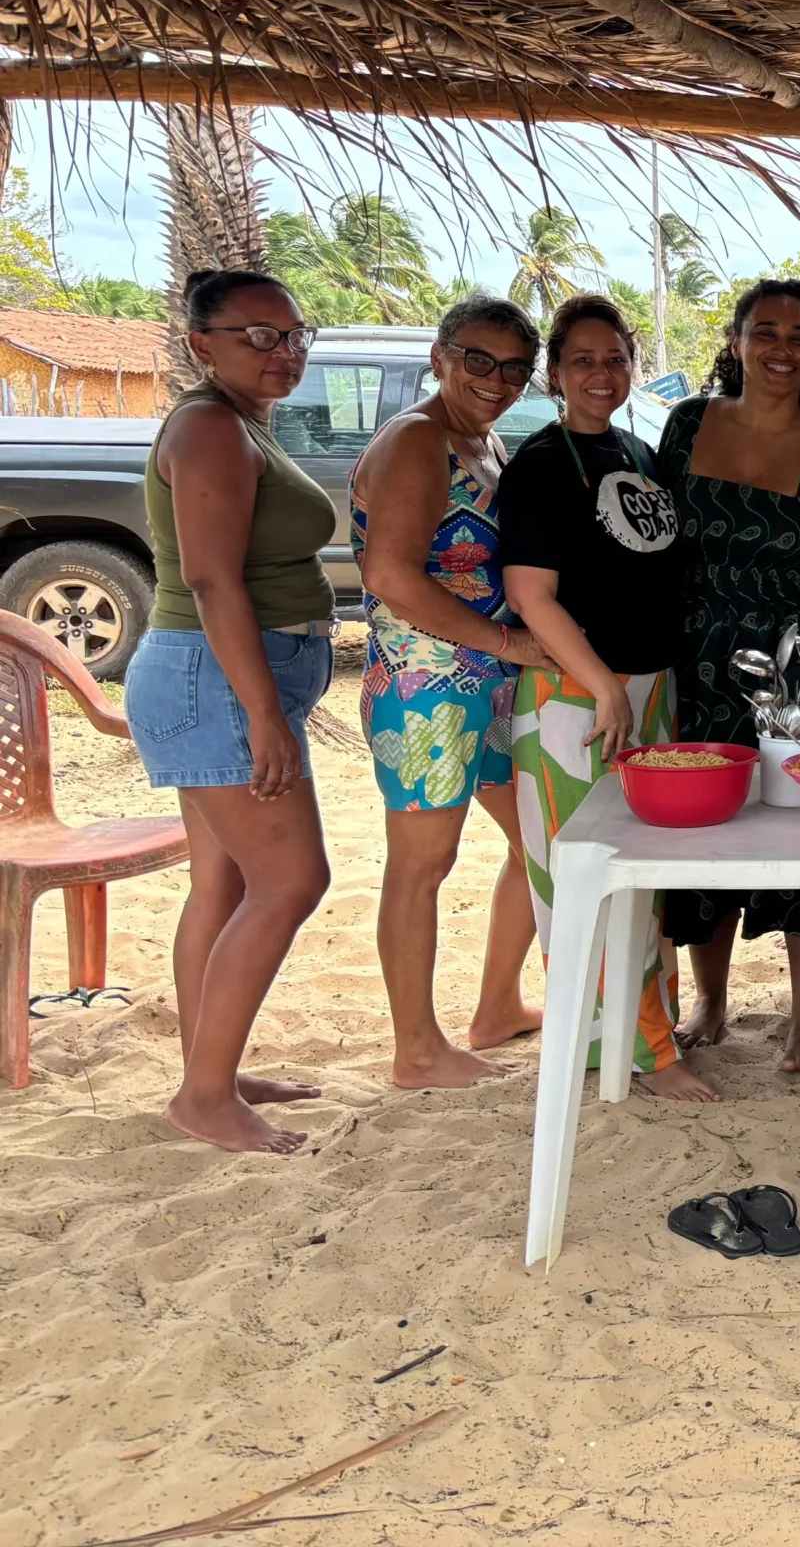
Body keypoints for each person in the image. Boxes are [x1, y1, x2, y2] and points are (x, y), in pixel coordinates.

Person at [128, 269, 336, 1152]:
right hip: (214, 676)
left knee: (223, 882)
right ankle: (206, 1095)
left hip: (218, 675)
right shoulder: (211, 426)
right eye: (260, 335)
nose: (282, 351)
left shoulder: (242, 422)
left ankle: (208, 1073)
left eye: (294, 334)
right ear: (200, 345)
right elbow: (211, 579)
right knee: (292, 881)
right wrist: (262, 710)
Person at [656, 280, 800, 1075]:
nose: (782, 350)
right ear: (738, 339)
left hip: (797, 667)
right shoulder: (685, 425)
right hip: (698, 656)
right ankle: (711, 1002)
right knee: (703, 831)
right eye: (767, 332)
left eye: (799, 337)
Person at [497, 295, 714, 1103]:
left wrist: (645, 691)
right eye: (582, 360)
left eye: (615, 358)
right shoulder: (543, 465)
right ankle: (633, 1055)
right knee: (582, 883)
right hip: (574, 699)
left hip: (647, 691)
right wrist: (602, 688)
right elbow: (532, 596)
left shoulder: (637, 450)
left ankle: (644, 1036)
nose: (601, 374)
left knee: (642, 881)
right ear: (555, 374)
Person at [350, 292, 553, 1089]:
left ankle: (497, 1006)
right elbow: (390, 574)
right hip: (425, 685)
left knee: (532, 837)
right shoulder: (415, 442)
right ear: (439, 358)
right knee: (422, 864)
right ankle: (416, 1050)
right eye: (478, 360)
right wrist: (507, 642)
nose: (495, 378)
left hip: (487, 683)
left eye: (513, 367)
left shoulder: (483, 441)